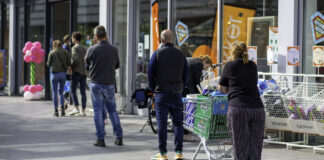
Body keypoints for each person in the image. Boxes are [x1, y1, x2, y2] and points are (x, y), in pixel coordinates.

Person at [218, 42, 265, 160]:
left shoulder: (230, 65)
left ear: (233, 53)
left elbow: (221, 88)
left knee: (240, 146)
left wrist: (232, 91)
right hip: (257, 108)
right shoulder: (252, 65)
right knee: (256, 145)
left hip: (239, 108)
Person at [148, 30, 188, 160]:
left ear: (162, 40)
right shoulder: (181, 55)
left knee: (162, 123)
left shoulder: (157, 54)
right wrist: (181, 87)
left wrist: (153, 88)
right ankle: (178, 152)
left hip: (161, 93)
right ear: (172, 39)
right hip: (176, 92)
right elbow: (185, 75)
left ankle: (163, 153)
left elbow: (150, 73)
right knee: (178, 123)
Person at [85, 25, 123, 147]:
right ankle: (119, 137)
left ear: (96, 37)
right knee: (112, 110)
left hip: (95, 83)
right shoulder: (113, 49)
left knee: (97, 111)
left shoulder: (91, 49)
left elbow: (86, 65)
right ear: (106, 35)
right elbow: (117, 65)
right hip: (109, 83)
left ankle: (100, 139)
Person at [47, 40, 70, 117]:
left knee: (54, 93)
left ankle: (56, 111)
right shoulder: (65, 52)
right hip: (63, 74)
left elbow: (48, 64)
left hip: (54, 74)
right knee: (61, 92)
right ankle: (63, 110)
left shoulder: (52, 52)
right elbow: (68, 63)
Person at [69, 32, 88, 116]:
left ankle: (76, 108)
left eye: (72, 38)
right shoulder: (85, 48)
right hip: (84, 72)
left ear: (74, 39)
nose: (71, 40)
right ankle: (83, 110)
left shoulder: (74, 48)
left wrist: (70, 66)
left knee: (72, 89)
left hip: (76, 71)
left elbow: (75, 60)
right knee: (83, 91)